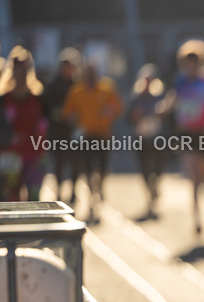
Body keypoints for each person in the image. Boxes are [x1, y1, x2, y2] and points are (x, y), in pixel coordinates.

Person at [166, 40, 204, 236]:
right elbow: (173, 100)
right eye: (188, 61)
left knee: (203, 174)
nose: (192, 65)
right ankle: (197, 218)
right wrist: (164, 109)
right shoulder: (181, 81)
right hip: (186, 132)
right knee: (192, 178)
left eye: (195, 61)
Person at [61, 60, 122, 224]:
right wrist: (73, 119)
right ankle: (91, 198)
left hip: (102, 136)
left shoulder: (106, 87)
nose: (90, 76)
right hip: (85, 136)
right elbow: (67, 112)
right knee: (87, 169)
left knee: (102, 168)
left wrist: (109, 112)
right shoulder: (77, 91)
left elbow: (118, 108)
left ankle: (99, 186)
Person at [0, 46, 47, 202]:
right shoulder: (3, 99)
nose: (21, 74)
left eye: (25, 69)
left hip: (33, 155)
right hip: (9, 156)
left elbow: (43, 127)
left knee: (33, 199)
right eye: (18, 69)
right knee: (10, 200)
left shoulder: (38, 98)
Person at [41, 48, 80, 204]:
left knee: (76, 163)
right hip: (57, 131)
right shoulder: (52, 85)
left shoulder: (77, 85)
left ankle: (74, 190)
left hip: (74, 131)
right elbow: (46, 108)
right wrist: (59, 114)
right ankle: (58, 190)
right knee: (58, 163)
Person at [128, 64, 166, 220]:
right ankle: (149, 193)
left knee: (157, 167)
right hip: (142, 138)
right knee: (144, 168)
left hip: (157, 137)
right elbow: (128, 118)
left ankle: (155, 187)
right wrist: (135, 116)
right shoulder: (136, 98)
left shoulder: (159, 97)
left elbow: (166, 115)